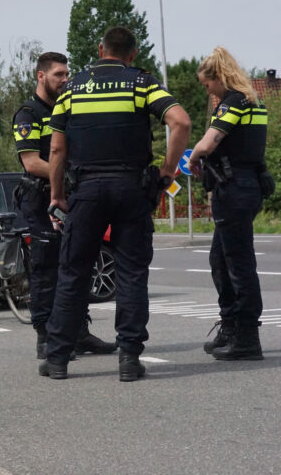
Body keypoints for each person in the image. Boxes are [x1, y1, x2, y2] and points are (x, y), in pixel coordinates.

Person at [40, 26, 191, 381]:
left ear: (100, 49)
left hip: (86, 191)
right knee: (131, 273)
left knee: (73, 273)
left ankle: (58, 359)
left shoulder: (72, 88)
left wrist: (56, 194)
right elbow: (180, 121)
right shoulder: (141, 83)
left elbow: (58, 149)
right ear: (132, 54)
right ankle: (128, 358)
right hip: (131, 189)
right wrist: (166, 174)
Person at [12, 52, 116, 359]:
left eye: (67, 73)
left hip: (72, 197)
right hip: (41, 199)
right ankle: (46, 337)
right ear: (41, 76)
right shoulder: (27, 114)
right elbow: (31, 163)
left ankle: (78, 332)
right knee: (47, 269)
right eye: (59, 74)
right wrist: (67, 175)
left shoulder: (69, 108)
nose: (65, 79)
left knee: (79, 263)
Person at [187, 46, 268, 361]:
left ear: (219, 77)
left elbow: (209, 142)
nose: (207, 91)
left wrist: (193, 156)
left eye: (207, 85)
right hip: (244, 187)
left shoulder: (236, 101)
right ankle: (231, 326)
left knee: (238, 266)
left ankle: (247, 337)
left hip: (235, 189)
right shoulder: (253, 101)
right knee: (220, 261)